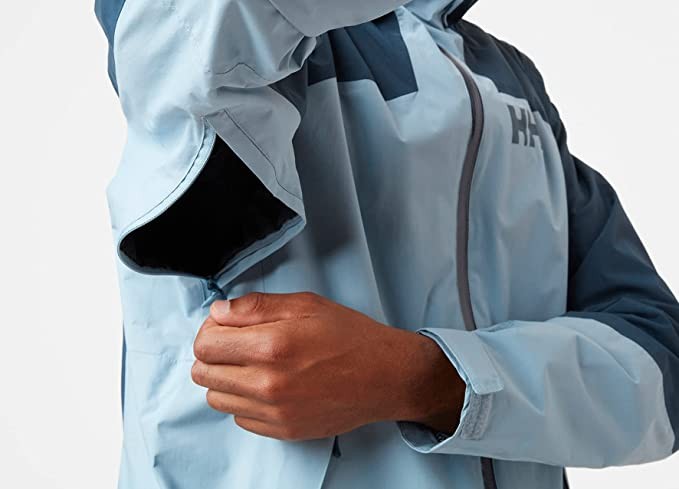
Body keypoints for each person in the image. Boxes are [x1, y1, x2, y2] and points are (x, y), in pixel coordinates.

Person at [95, 0, 679, 488]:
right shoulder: (219, 33)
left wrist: (425, 379)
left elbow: (659, 367)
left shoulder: (512, 79)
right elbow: (180, 25)